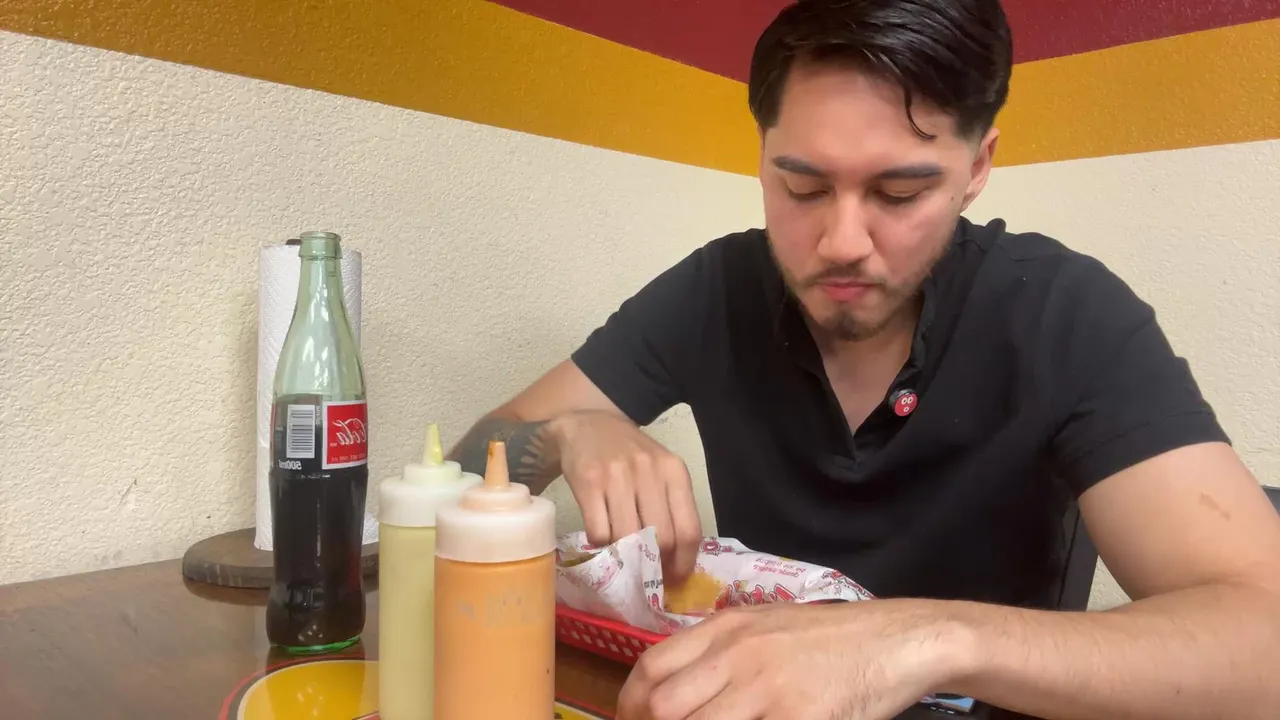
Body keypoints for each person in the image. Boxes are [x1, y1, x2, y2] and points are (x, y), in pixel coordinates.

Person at [447, 0, 1280, 717]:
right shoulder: (717, 289)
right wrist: (567, 432)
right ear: (762, 156)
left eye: (899, 193)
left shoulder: (1064, 313)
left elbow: (1262, 640)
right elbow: (462, 469)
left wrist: (917, 640)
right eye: (803, 188)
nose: (842, 242)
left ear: (977, 167)